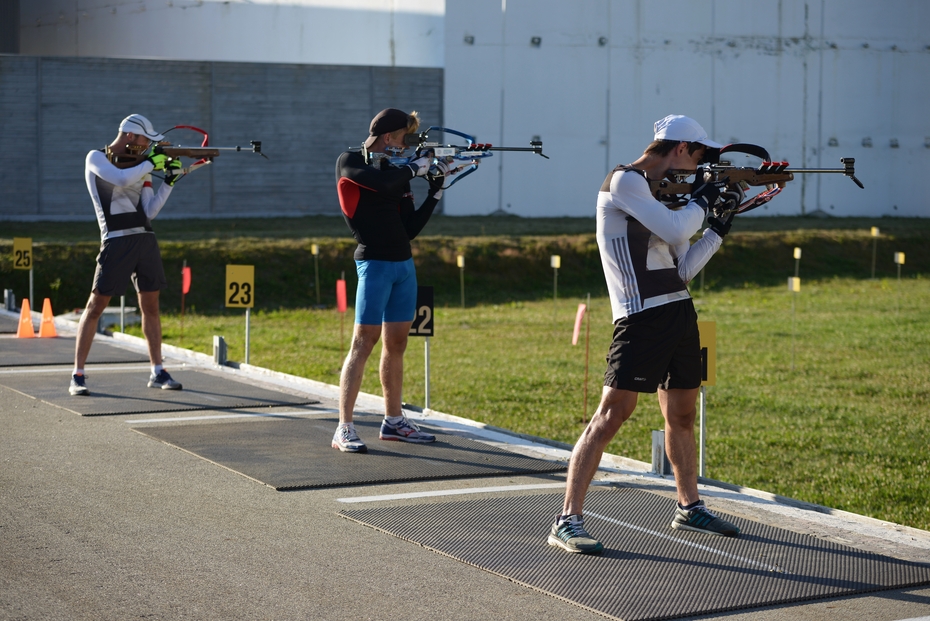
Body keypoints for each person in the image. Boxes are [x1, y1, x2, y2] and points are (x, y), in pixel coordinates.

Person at [547, 114, 742, 554]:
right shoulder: (624, 182)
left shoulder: (663, 197)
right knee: (611, 415)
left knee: (682, 416)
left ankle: (689, 507)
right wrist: (705, 200)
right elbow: (677, 229)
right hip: (639, 318)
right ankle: (567, 518)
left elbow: (683, 269)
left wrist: (717, 228)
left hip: (678, 313)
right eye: (698, 154)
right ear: (678, 148)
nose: (698, 165)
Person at [332, 108, 469, 453]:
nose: (408, 145)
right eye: (405, 138)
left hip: (402, 265)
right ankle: (343, 427)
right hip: (374, 264)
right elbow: (380, 183)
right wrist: (417, 166)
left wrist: (435, 192)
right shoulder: (351, 161)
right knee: (363, 344)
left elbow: (409, 230)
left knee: (397, 345)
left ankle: (394, 421)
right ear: (389, 137)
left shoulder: (397, 173)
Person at [69, 114, 185, 396]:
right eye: (146, 140)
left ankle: (158, 371)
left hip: (145, 240)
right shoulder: (95, 158)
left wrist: (168, 182)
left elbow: (149, 213)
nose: (147, 146)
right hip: (116, 241)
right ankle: (77, 374)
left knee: (152, 307)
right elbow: (119, 178)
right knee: (95, 306)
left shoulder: (141, 167)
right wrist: (150, 163)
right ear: (131, 136)